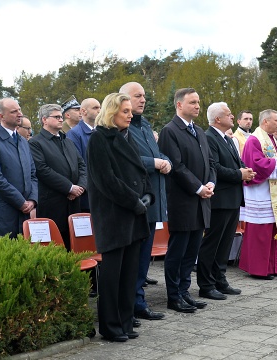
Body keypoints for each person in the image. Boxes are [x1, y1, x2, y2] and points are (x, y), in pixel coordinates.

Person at [87, 92, 152, 342]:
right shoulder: (99, 139)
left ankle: (125, 322)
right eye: (125, 111)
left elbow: (140, 172)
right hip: (114, 215)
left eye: (129, 111)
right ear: (111, 112)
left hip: (134, 214)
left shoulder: (128, 136)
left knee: (129, 273)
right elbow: (106, 181)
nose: (130, 114)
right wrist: (134, 201)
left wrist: (146, 197)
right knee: (113, 275)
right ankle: (111, 326)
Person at [158, 88, 214, 313]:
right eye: (192, 102)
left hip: (201, 200)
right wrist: (198, 187)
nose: (197, 106)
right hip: (182, 201)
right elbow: (176, 166)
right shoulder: (170, 131)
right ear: (179, 105)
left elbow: (209, 161)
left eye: (198, 102)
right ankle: (174, 296)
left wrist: (211, 183)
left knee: (192, 250)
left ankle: (185, 292)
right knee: (178, 251)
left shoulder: (199, 130)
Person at [119, 82, 169, 322]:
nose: (142, 100)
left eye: (144, 96)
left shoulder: (145, 124)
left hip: (152, 200)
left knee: (143, 257)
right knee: (133, 259)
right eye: (137, 96)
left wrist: (165, 160)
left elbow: (155, 153)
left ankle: (138, 300)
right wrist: (154, 163)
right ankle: (132, 303)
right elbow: (126, 159)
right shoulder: (121, 129)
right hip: (135, 201)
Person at [199, 102, 255, 300]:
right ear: (218, 119)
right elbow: (214, 168)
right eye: (229, 114)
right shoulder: (208, 138)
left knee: (225, 242)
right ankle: (206, 284)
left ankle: (220, 279)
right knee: (212, 242)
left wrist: (246, 170)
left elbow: (237, 163)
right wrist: (239, 174)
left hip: (233, 197)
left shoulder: (229, 139)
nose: (232, 117)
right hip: (219, 198)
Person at [238, 109, 277, 280]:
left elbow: (276, 162)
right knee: (261, 232)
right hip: (260, 193)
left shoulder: (271, 140)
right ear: (265, 122)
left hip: (273, 194)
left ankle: (274, 266)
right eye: (276, 120)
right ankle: (258, 269)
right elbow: (255, 164)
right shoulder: (254, 140)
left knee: (274, 230)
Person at [28, 104, 86, 249]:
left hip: (74, 203)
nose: (61, 119)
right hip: (53, 204)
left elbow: (82, 166)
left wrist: (80, 188)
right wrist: (69, 188)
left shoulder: (68, 141)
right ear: (44, 120)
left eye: (61, 116)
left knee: (75, 247)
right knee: (55, 247)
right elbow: (42, 170)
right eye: (57, 117)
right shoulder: (35, 143)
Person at [0, 98, 37, 238]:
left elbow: (32, 174)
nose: (19, 114)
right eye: (14, 112)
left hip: (25, 212)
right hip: (3, 212)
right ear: (1, 116)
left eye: (19, 110)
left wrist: (32, 200)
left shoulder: (23, 142)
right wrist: (20, 202)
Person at [68, 97, 100, 213]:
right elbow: (79, 164)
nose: (99, 110)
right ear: (83, 111)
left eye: (100, 107)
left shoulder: (102, 131)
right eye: (95, 108)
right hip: (88, 195)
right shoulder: (74, 134)